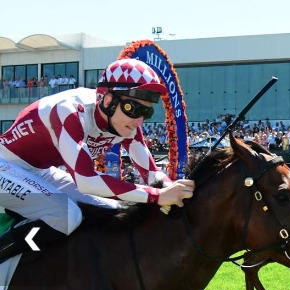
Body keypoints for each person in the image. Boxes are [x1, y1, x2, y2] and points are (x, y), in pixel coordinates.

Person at [0, 58, 195, 263]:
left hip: (39, 170)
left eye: (146, 112)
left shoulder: (125, 123)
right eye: (133, 108)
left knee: (115, 210)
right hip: (5, 166)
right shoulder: (70, 110)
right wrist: (157, 195)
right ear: (108, 101)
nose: (139, 121)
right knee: (67, 216)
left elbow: (151, 173)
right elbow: (86, 181)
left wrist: (171, 188)